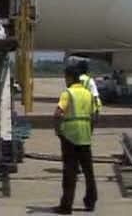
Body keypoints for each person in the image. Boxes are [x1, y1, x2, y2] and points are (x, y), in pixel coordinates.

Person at [53, 62, 97, 214]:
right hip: (85, 136)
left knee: (70, 173)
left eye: (66, 78)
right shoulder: (88, 94)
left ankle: (66, 206)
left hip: (70, 137)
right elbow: (93, 115)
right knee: (89, 172)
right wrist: (89, 131)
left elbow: (58, 114)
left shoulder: (68, 93)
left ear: (70, 78)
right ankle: (90, 202)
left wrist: (58, 131)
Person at [77, 59, 102, 123]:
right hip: (88, 110)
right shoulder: (89, 80)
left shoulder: (75, 79)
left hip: (76, 109)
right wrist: (97, 112)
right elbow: (95, 97)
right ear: (87, 70)